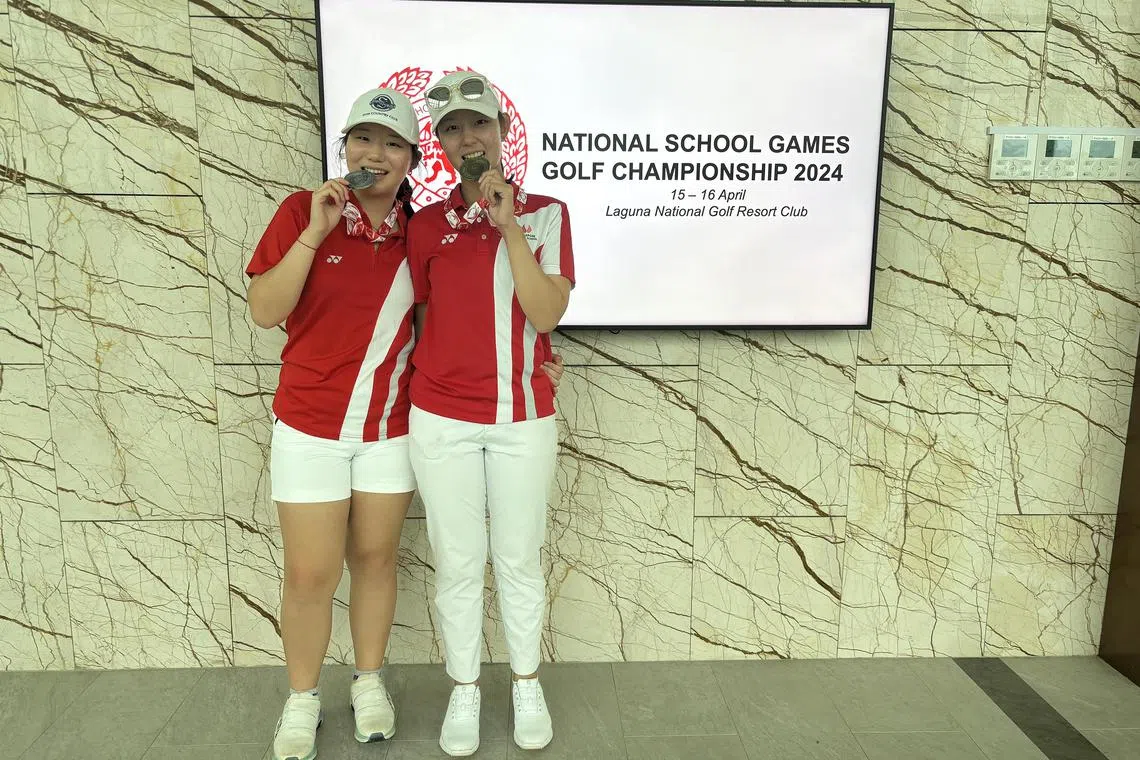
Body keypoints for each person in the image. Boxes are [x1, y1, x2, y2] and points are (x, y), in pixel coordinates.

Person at [246, 87, 423, 760]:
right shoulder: (302, 211)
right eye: (363, 139)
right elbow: (265, 310)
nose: (375, 154)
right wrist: (315, 234)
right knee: (310, 574)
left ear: (412, 159)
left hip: (389, 430)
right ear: (344, 147)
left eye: (392, 143)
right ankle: (302, 699)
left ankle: (369, 682)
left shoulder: (421, 233)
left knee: (374, 560)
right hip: (309, 427)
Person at [406, 70, 575, 757]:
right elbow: (423, 319)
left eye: (479, 123)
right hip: (440, 418)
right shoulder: (425, 225)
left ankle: (526, 682)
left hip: (522, 418)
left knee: (518, 558)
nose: (467, 137)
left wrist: (507, 227)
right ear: (440, 143)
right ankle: (465, 688)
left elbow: (546, 312)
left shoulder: (546, 213)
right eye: (451, 129)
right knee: (457, 560)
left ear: (502, 130)